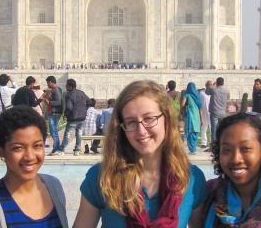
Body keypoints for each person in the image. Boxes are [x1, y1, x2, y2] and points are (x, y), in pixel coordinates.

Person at [72, 80, 207, 227]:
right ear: (121, 128)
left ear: (166, 120)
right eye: (131, 122)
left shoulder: (191, 180)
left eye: (149, 119)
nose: (141, 131)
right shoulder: (102, 178)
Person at [0, 106, 68, 227]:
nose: (29, 157)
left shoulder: (54, 187)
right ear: (1, 151)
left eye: (37, 146)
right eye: (18, 148)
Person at [58, 79, 88, 156]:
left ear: (70, 86)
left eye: (67, 85)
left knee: (67, 134)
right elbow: (89, 101)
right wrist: (84, 110)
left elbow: (69, 107)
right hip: (81, 118)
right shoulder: (81, 93)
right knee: (79, 134)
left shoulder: (69, 94)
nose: (66, 87)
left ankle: (62, 150)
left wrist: (65, 114)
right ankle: (77, 150)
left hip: (73, 118)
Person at [42, 76, 64, 155]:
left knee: (53, 131)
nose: (47, 84)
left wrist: (47, 101)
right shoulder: (54, 90)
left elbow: (58, 102)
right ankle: (56, 147)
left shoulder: (56, 90)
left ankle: (56, 148)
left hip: (55, 113)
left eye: (48, 83)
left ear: (50, 82)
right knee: (53, 131)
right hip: (53, 113)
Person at [205, 77, 230, 144]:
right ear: (223, 83)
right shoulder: (227, 91)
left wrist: (212, 85)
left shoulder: (214, 90)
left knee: (214, 129)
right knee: (222, 129)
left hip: (215, 112)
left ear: (217, 83)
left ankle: (214, 145)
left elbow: (206, 92)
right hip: (223, 112)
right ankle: (222, 143)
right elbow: (228, 98)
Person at [180, 82, 202, 154]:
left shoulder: (187, 95)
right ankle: (194, 148)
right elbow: (200, 108)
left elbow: (182, 104)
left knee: (190, 132)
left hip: (190, 115)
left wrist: (184, 108)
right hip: (197, 116)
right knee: (195, 132)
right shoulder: (198, 96)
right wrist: (201, 119)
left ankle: (192, 150)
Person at [198, 81, 212, 150]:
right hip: (204, 112)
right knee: (203, 128)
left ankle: (212, 142)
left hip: (211, 112)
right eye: (209, 85)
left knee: (212, 128)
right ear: (206, 85)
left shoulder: (213, 92)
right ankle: (204, 143)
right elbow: (200, 102)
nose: (210, 86)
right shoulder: (202, 93)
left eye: (210, 85)